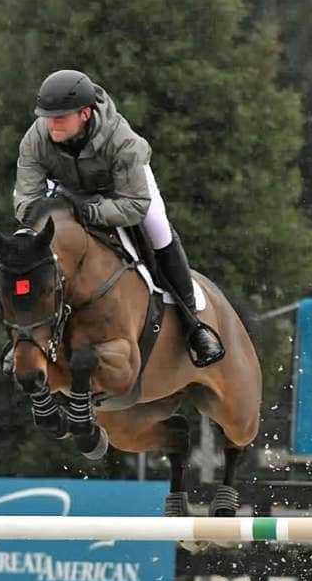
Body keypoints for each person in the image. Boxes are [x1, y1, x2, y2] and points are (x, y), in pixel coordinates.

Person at [13, 68, 225, 367]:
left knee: (158, 227)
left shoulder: (121, 141)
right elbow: (25, 200)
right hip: (65, 193)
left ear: (85, 114)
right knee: (26, 247)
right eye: (48, 116)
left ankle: (194, 325)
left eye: (60, 117)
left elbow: (135, 205)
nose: (51, 124)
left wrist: (89, 212)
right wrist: (48, 219)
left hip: (121, 191)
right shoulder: (36, 139)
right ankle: (23, 336)